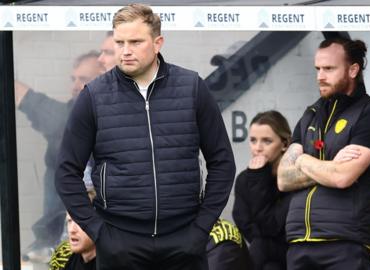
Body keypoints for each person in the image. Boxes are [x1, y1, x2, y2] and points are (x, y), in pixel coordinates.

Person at [55, 3, 235, 270]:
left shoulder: (192, 88)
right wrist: (101, 234)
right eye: (119, 42)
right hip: (120, 243)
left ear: (157, 42)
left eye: (136, 42)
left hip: (184, 240)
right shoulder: (94, 96)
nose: (125, 50)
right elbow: (66, 172)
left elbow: (222, 162)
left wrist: (201, 227)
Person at [276, 37, 370, 270]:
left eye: (329, 68)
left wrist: (301, 160)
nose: (320, 76)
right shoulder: (311, 114)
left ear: (353, 70)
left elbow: (342, 177)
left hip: (346, 243)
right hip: (299, 242)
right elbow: (282, 178)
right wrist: (328, 165)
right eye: (318, 69)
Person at [17, 51, 104, 263]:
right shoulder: (67, 117)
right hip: (56, 239)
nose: (75, 85)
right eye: (73, 79)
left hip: (94, 243)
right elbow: (31, 103)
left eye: (83, 79)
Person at [232, 110, 292, 270]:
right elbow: (243, 222)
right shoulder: (245, 179)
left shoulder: (294, 179)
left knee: (261, 246)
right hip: (264, 255)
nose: (257, 148)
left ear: (285, 144)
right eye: (253, 140)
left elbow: (272, 225)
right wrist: (257, 177)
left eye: (266, 141)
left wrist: (258, 179)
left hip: (292, 251)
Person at [49, 190, 97, 270]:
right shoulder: (74, 258)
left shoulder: (113, 263)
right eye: (69, 221)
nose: (72, 230)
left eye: (79, 222)